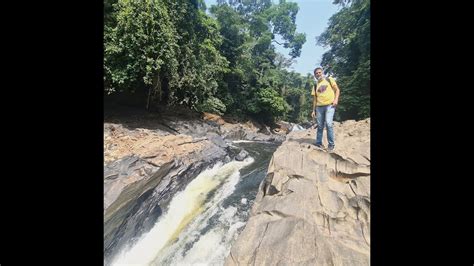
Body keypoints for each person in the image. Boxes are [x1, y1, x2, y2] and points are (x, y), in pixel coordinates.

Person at [311, 67, 340, 151]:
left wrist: (336, 99)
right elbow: (314, 99)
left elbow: (337, 90)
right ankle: (318, 143)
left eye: (319, 72)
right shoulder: (315, 85)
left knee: (328, 123)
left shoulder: (329, 79)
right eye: (316, 73)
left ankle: (331, 144)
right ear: (315, 75)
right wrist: (313, 110)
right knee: (320, 126)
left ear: (322, 72)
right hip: (319, 107)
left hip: (330, 105)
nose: (318, 74)